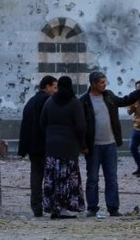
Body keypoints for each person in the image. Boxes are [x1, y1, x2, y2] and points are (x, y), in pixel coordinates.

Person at [79, 71, 140, 217]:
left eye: (105, 82)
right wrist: (83, 145)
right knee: (92, 178)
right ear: (93, 84)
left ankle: (113, 208)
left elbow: (124, 101)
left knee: (111, 177)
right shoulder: (84, 101)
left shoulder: (109, 96)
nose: (104, 85)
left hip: (110, 144)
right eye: (101, 82)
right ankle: (92, 207)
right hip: (93, 146)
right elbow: (81, 126)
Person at [39, 75, 86, 219]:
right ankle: (66, 207)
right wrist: (82, 143)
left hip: (52, 145)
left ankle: (54, 207)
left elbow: (42, 123)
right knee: (67, 177)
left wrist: (50, 135)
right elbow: (81, 126)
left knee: (53, 177)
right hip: (69, 146)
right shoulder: (74, 103)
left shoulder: (49, 102)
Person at [17, 75, 57, 217]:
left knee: (36, 176)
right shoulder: (48, 102)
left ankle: (36, 206)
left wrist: (23, 148)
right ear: (47, 87)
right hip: (45, 145)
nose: (55, 90)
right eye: (54, 87)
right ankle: (51, 205)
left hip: (33, 146)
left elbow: (25, 127)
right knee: (50, 177)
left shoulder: (31, 102)